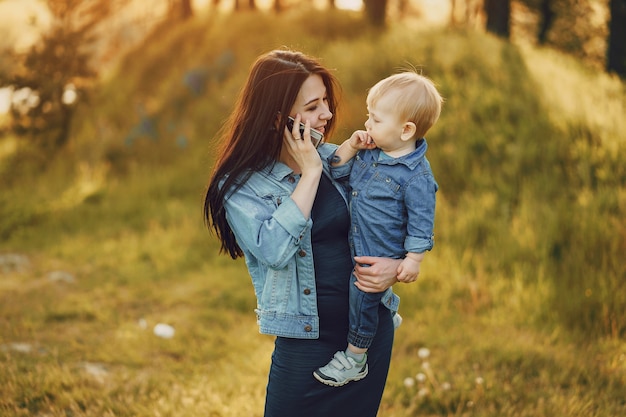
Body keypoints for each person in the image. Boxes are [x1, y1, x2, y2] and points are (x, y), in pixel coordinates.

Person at [203, 49, 405, 417]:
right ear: (278, 117)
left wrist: (396, 266)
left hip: (366, 335)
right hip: (306, 339)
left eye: (326, 101)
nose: (327, 114)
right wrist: (310, 174)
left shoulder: (341, 160)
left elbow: (398, 219)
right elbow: (275, 249)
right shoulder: (240, 186)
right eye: (313, 107)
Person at [313, 71, 442, 387]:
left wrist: (412, 261)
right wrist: (351, 145)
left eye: (376, 119)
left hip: (378, 254)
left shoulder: (417, 178)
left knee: (361, 295)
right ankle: (387, 307)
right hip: (355, 239)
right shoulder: (371, 152)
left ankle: (355, 357)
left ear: (406, 130)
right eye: (369, 116)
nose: (367, 124)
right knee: (355, 291)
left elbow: (422, 224)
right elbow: (336, 168)